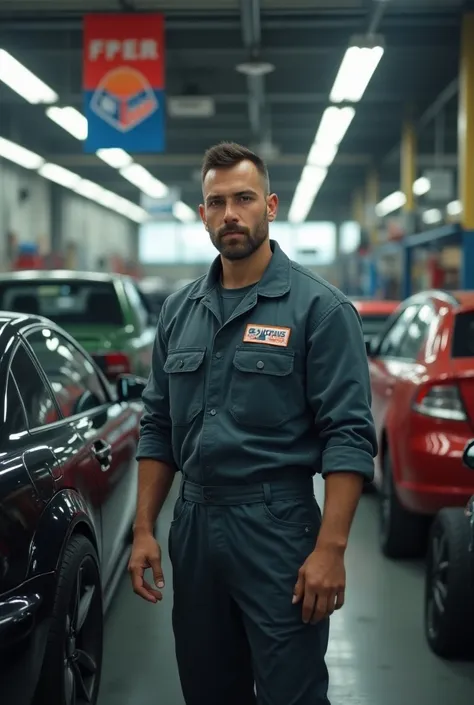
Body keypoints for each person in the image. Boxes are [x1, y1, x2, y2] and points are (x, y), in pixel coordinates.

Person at [129, 142, 377, 705]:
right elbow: (158, 425)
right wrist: (144, 529)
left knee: (292, 691)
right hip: (193, 525)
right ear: (202, 215)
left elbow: (349, 435)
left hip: (278, 525)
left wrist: (331, 549)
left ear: (270, 205)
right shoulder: (178, 311)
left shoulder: (321, 310)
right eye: (216, 203)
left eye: (243, 199)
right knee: (208, 687)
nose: (230, 215)